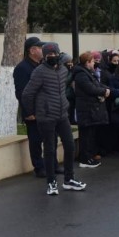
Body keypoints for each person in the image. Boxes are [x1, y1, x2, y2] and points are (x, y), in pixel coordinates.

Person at [21, 42, 86, 195]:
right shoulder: (39, 72)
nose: (52, 57)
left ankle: (69, 180)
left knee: (70, 146)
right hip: (46, 116)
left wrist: (66, 104)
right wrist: (30, 112)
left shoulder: (63, 70)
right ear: (44, 56)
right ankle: (51, 182)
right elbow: (27, 93)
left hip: (62, 114)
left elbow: (63, 90)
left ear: (58, 54)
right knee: (50, 150)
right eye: (48, 55)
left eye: (54, 54)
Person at [14, 36, 59, 178]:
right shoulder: (22, 68)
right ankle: (39, 167)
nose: (43, 50)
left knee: (51, 138)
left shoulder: (41, 65)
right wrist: (28, 111)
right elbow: (21, 92)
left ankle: (53, 166)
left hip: (47, 109)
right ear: (32, 50)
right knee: (35, 140)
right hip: (33, 111)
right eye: (40, 48)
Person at [73, 51, 113, 168]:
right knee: (86, 135)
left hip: (90, 109)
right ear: (87, 62)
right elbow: (91, 88)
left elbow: (97, 85)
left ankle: (88, 157)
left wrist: (107, 90)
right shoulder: (81, 74)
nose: (94, 63)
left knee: (90, 135)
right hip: (86, 109)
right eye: (92, 61)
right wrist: (104, 91)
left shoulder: (86, 73)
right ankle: (85, 159)